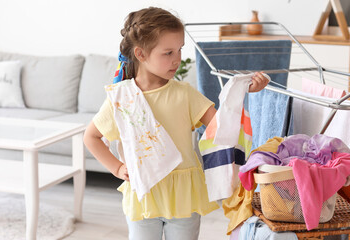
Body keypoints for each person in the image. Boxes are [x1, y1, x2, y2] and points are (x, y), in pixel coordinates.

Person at [83, 7, 269, 240]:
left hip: (184, 197)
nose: (177, 59)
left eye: (179, 50)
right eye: (168, 52)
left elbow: (222, 126)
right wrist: (117, 167)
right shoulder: (122, 99)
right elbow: (91, 137)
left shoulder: (184, 94)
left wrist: (243, 90)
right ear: (140, 54)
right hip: (144, 196)